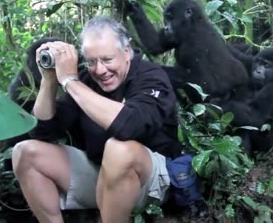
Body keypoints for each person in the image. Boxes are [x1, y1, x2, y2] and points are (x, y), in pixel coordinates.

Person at [11, 16, 184, 223]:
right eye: (92, 61)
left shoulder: (150, 76)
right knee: (25, 152)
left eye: (107, 60)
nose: (100, 70)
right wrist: (49, 80)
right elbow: (43, 132)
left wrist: (70, 81)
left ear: (127, 52)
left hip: (151, 183)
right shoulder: (86, 80)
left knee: (119, 149)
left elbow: (130, 127)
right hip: (102, 175)